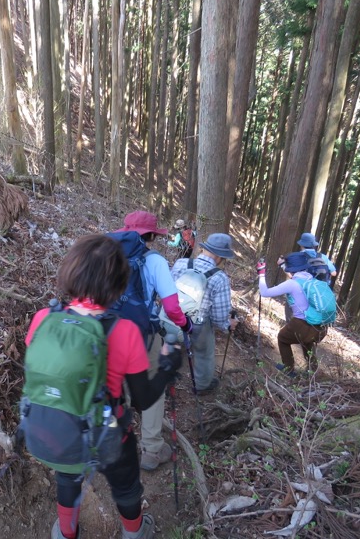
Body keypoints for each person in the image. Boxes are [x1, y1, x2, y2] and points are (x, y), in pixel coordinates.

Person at [24, 234, 183, 539]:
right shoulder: (125, 331)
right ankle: (134, 532)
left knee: (67, 477)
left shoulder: (43, 318)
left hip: (58, 427)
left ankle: (66, 533)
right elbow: (142, 399)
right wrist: (167, 367)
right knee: (125, 486)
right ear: (119, 284)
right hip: (108, 434)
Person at [112, 211, 193, 471]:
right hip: (141, 334)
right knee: (153, 389)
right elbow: (171, 306)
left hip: (107, 330)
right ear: (152, 236)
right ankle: (151, 450)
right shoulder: (155, 261)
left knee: (116, 386)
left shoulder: (108, 253)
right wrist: (185, 324)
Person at [170, 233, 238, 395]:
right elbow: (218, 317)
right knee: (204, 352)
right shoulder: (220, 278)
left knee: (169, 345)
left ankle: (167, 378)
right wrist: (229, 325)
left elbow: (168, 291)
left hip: (171, 317)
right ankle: (201, 385)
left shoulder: (181, 263)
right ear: (220, 256)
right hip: (196, 325)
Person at [257, 251, 328, 376]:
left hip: (301, 324)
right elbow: (293, 275)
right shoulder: (311, 279)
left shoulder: (292, 284)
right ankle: (313, 370)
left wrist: (261, 274)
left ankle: (288, 369)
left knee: (283, 338)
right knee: (307, 342)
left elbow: (265, 292)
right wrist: (282, 265)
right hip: (321, 326)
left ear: (292, 269)